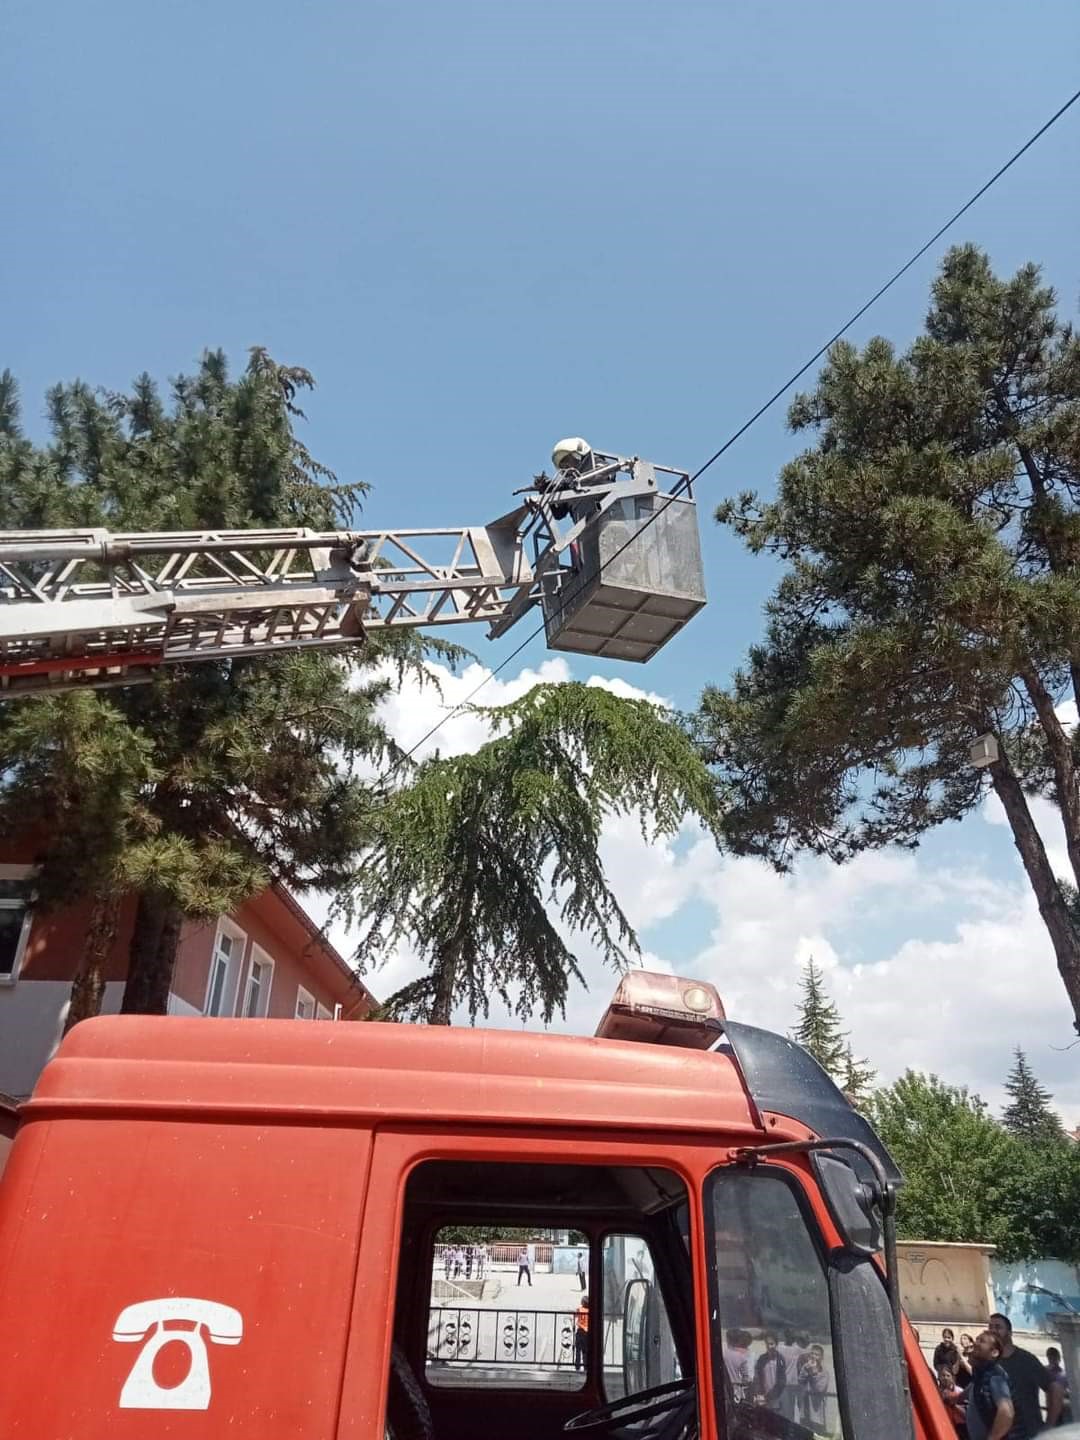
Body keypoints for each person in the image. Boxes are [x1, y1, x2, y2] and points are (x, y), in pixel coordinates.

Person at [988, 1313, 1064, 1434]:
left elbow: (1055, 1389)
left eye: (998, 1327)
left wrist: (1049, 1426)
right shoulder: (989, 1361)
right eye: (990, 1327)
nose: (993, 1330)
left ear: (1009, 1333)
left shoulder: (1026, 1360)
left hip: (1027, 1432)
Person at [966, 1329, 1015, 1440]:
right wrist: (956, 1398)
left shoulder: (995, 1377)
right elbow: (973, 1387)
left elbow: (1007, 1413)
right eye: (977, 1339)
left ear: (994, 1353)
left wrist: (992, 1438)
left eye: (982, 1341)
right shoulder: (981, 1373)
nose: (976, 1343)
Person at [797, 1345, 829, 1432]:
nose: (814, 1356)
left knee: (817, 1432)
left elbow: (819, 1389)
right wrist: (806, 1370)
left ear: (822, 1357)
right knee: (804, 1430)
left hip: (816, 1408)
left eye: (817, 1355)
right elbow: (800, 1381)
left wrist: (814, 1373)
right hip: (805, 1406)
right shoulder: (806, 1367)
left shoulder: (824, 1372)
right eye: (812, 1353)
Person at [777, 1331, 806, 1420]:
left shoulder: (779, 1348)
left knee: (784, 1410)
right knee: (791, 1411)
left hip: (784, 1383)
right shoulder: (798, 1350)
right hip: (793, 1383)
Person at [754, 1332, 787, 1409]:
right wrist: (758, 1393)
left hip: (776, 1397)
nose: (769, 1346)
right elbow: (757, 1378)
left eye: (771, 1344)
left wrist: (769, 1396)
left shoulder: (780, 1359)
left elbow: (782, 1381)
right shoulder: (761, 1359)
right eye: (767, 1344)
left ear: (776, 1344)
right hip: (763, 1397)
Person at [938, 1363, 969, 1436]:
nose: (945, 1378)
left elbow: (967, 1414)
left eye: (948, 1375)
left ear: (952, 1377)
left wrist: (953, 1405)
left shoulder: (960, 1392)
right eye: (943, 1375)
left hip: (961, 1427)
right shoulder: (936, 1393)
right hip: (945, 1425)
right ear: (939, 1377)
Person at [1045, 1349, 1071, 1426]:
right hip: (1053, 1406)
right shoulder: (1045, 1372)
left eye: (1054, 1357)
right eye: (1051, 1358)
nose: (1053, 1360)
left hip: (1062, 1407)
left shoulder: (1064, 1374)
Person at [574, 1294, 590, 1371]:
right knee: (585, 1351)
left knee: (578, 1350)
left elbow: (575, 1316)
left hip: (580, 1331)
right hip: (587, 1332)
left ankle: (577, 1366)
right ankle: (585, 1366)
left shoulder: (579, 1309)